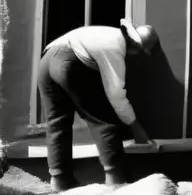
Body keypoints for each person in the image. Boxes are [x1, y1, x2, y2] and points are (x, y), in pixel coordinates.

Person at [37, 19, 160, 191]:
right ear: (138, 49)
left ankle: (60, 180)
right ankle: (116, 181)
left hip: (46, 61)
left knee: (57, 122)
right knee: (104, 120)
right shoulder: (115, 48)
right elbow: (117, 96)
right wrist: (136, 127)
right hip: (68, 61)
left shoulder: (107, 33)